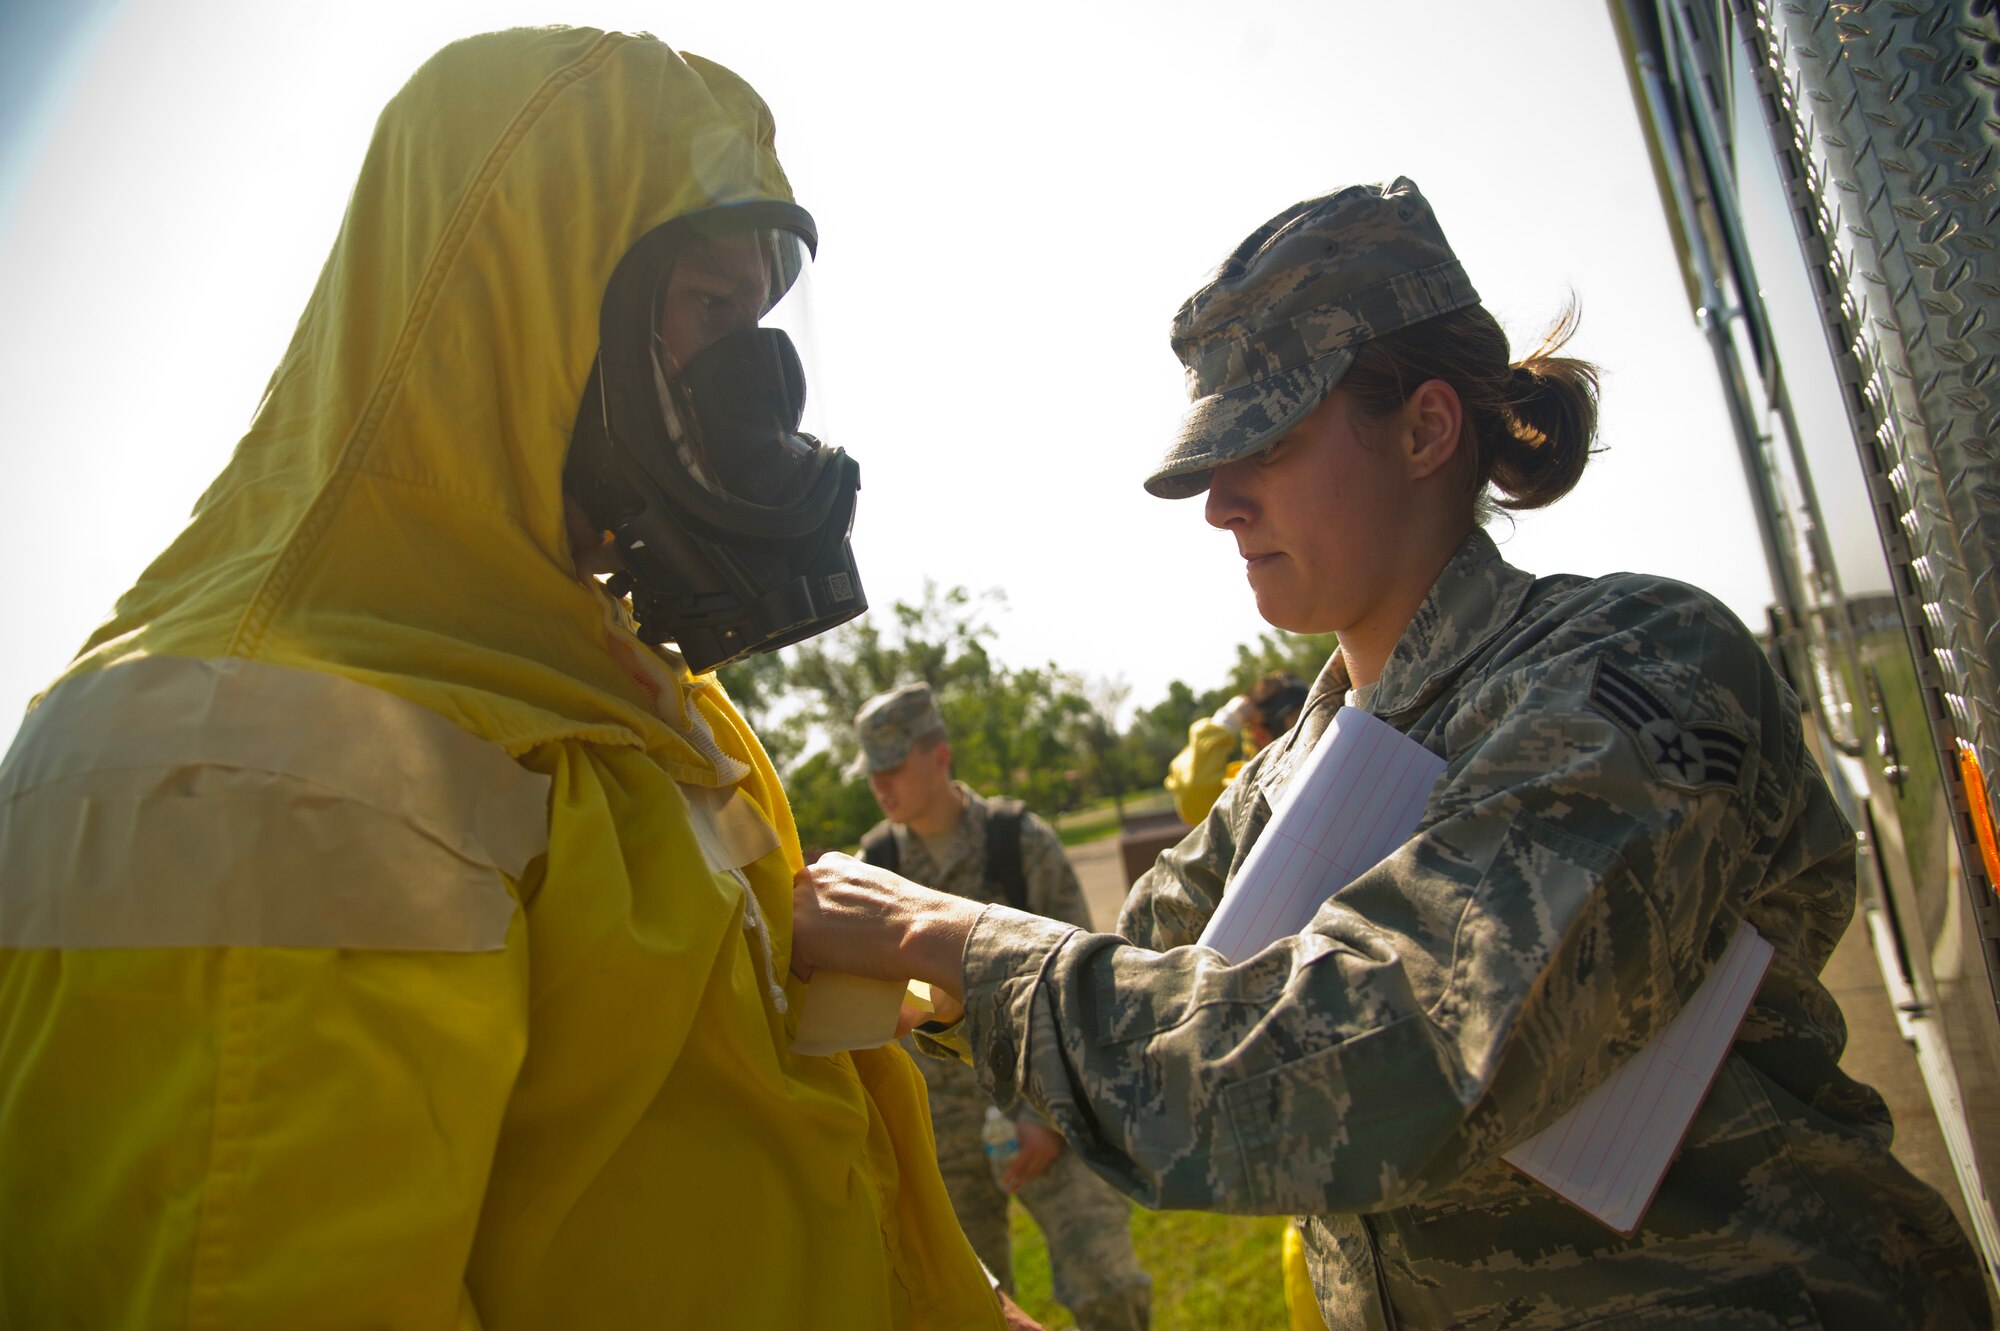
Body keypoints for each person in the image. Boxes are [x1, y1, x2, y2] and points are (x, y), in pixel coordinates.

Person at [790, 178, 1989, 1328]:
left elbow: (1387, 1047)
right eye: (1213, 461)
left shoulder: (1635, 667)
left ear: (1424, 426)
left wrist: (933, 933)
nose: (1219, 503)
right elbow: (1140, 991)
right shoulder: (1282, 775)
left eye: (1263, 443)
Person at [0, 28, 1019, 1330]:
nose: (755, 384)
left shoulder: (624, 684)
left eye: (764, 325)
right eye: (712, 311)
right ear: (523, 307)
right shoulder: (241, 760)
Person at [853, 683, 1153, 1331]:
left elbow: (1081, 986)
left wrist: (1042, 1113)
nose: (881, 783)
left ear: (940, 756)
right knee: (965, 1316)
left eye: (894, 765)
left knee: (1110, 1289)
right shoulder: (872, 866)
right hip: (942, 1139)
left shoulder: (1019, 843)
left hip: (1048, 1112)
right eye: (872, 770)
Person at [1164, 669, 1308, 825]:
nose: (1311, 730)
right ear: (1260, 734)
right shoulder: (1249, 782)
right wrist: (1226, 721)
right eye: (1297, 725)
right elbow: (1195, 793)